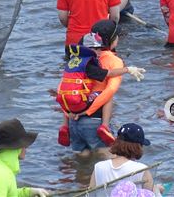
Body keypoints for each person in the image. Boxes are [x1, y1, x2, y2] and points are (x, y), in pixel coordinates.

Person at [57, 31, 145, 148]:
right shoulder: (89, 64)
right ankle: (104, 126)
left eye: (100, 49)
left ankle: (64, 126)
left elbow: (61, 88)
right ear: (87, 49)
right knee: (108, 95)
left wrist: (68, 113)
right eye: (96, 49)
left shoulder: (72, 63)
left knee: (81, 155)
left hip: (71, 115)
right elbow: (109, 73)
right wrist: (127, 69)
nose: (99, 52)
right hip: (86, 111)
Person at [67, 20, 129, 156]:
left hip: (73, 121)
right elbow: (110, 91)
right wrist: (90, 113)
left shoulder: (79, 59)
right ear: (112, 40)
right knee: (110, 158)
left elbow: (67, 87)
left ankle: (81, 178)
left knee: (81, 165)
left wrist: (67, 118)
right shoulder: (114, 61)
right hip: (94, 121)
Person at [90, 123, 155, 191]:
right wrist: (157, 190)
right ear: (138, 147)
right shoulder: (141, 170)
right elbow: (149, 193)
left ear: (116, 142)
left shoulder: (99, 167)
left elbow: (90, 193)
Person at [0, 119, 49, 197]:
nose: (26, 148)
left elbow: (10, 194)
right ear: (18, 147)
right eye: (25, 144)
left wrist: (29, 192)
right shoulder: (0, 174)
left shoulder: (2, 168)